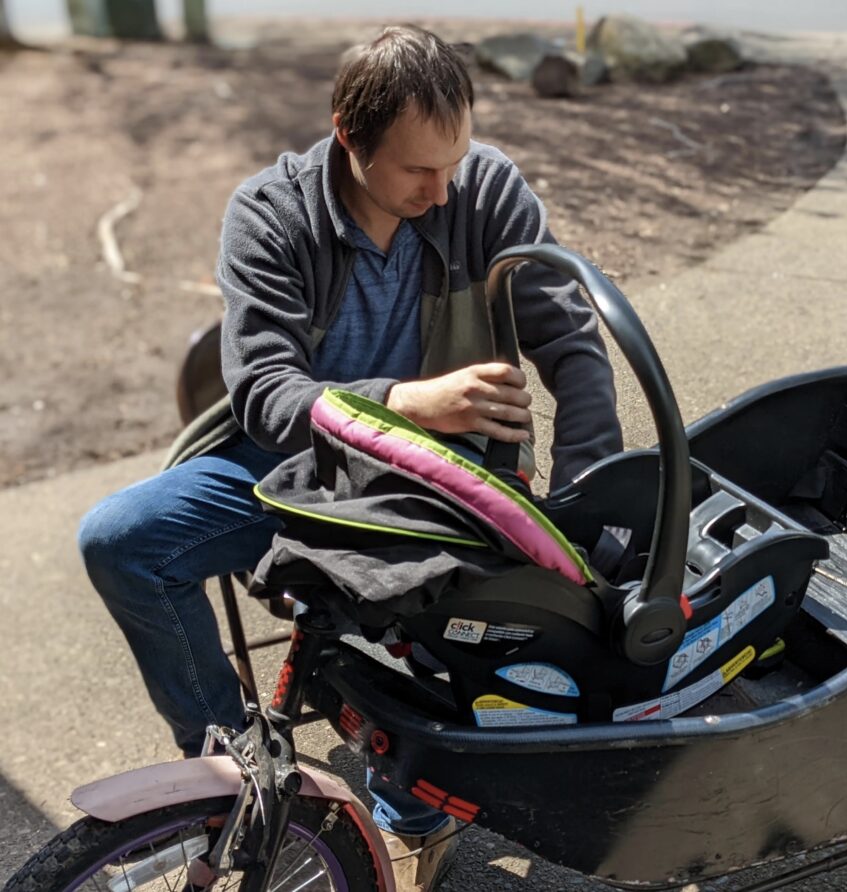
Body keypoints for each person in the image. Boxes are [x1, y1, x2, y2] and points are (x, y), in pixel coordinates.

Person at [77, 24, 622, 892]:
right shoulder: (270, 213)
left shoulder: (482, 191)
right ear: (348, 135)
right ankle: (230, 781)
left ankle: (413, 816)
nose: (444, 192)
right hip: (292, 473)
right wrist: (409, 403)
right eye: (417, 170)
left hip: (443, 492)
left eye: (454, 161)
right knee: (119, 539)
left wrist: (590, 498)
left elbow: (573, 344)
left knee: (471, 625)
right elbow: (264, 394)